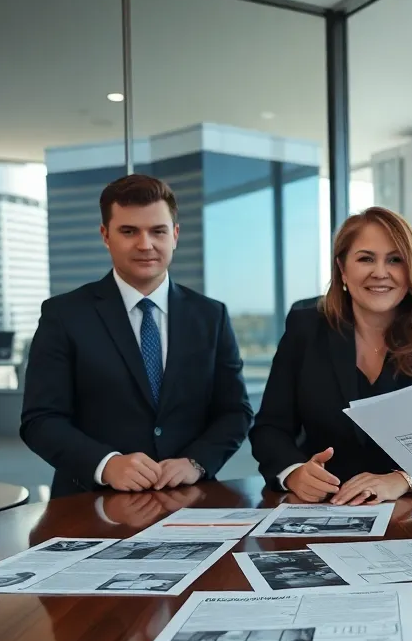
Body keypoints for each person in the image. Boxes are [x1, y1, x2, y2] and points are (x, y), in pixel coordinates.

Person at [20, 174, 252, 499]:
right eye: (129, 231)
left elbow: (235, 411)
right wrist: (106, 464)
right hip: (89, 501)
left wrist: (196, 462)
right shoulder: (64, 315)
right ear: (105, 235)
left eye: (158, 231)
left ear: (175, 235)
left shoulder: (211, 316)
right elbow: (41, 419)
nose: (145, 244)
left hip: (188, 499)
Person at [250, 207, 412, 504]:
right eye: (366, 259)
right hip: (329, 505)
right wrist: (294, 472)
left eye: (395, 260)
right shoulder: (305, 328)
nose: (380, 272)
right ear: (342, 269)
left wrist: (406, 479)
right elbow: (270, 428)